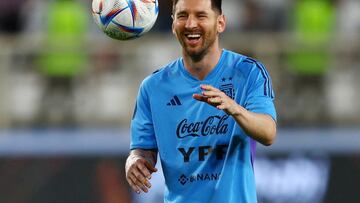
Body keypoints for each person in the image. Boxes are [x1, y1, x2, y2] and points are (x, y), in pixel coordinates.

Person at [125, 0, 277, 202]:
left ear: (220, 23)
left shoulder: (248, 72)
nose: (190, 24)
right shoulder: (153, 87)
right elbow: (142, 149)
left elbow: (268, 133)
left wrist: (235, 109)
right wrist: (135, 162)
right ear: (173, 25)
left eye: (201, 15)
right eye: (182, 16)